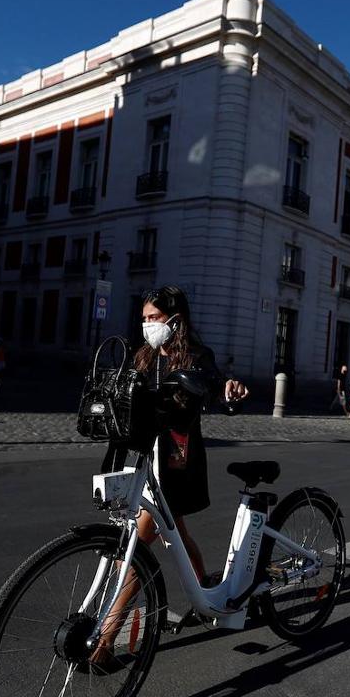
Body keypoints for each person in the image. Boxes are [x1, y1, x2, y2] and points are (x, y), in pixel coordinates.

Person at [90, 285, 248, 667]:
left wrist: (226, 388)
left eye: (154, 318)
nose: (147, 325)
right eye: (144, 318)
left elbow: (212, 382)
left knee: (135, 549)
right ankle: (206, 591)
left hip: (177, 460)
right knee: (176, 531)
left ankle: (105, 642)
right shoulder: (142, 356)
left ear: (175, 319)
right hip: (143, 459)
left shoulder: (196, 355)